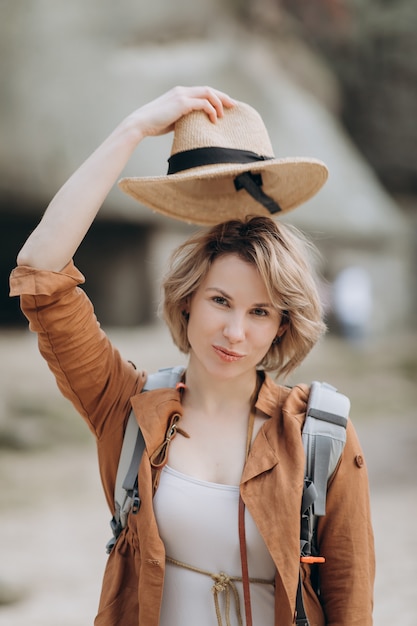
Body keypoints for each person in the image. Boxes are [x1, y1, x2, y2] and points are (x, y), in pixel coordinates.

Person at [10, 86, 374, 626]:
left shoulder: (320, 437)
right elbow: (42, 276)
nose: (234, 331)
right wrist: (132, 128)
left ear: (281, 328)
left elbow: (350, 601)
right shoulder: (129, 409)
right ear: (187, 302)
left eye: (260, 312)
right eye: (220, 301)